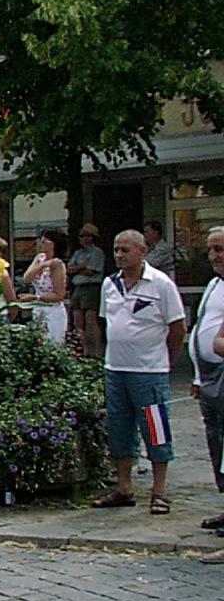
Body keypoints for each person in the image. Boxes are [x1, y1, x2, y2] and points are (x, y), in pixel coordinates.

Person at [91, 230, 186, 516]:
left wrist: (166, 360)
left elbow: (177, 328)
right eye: (116, 249)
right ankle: (124, 487)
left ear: (142, 251)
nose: (120, 255)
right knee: (119, 428)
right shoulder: (110, 285)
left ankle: (159, 491)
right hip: (116, 368)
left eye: (125, 250)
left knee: (155, 429)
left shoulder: (161, 285)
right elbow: (106, 321)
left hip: (149, 371)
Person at [188, 226, 224, 552]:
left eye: (220, 249)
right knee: (215, 441)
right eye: (211, 250)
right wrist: (199, 377)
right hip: (210, 377)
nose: (214, 256)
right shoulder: (214, 284)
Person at [22, 228, 69, 343]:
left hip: (52, 312)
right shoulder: (40, 258)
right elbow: (26, 278)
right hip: (38, 310)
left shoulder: (57, 264)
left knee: (52, 343)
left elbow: (59, 295)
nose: (41, 244)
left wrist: (35, 298)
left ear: (54, 244)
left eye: (44, 242)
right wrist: (41, 266)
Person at [66, 224, 106, 356]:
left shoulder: (97, 252)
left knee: (91, 320)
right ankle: (83, 351)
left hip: (91, 287)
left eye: (88, 235)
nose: (84, 238)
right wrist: (81, 267)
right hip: (77, 287)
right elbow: (68, 270)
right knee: (77, 320)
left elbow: (90, 271)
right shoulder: (78, 253)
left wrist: (78, 269)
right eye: (82, 236)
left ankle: (97, 351)